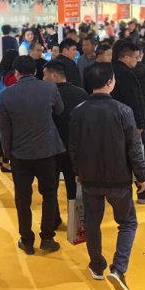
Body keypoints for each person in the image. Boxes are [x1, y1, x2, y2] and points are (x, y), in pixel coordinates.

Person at [69, 63, 145, 290]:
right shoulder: (123, 111)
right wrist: (141, 176)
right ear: (111, 82)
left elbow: (73, 147)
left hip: (89, 178)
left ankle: (97, 265)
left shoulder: (77, 112)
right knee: (128, 222)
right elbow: (134, 147)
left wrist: (77, 171)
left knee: (92, 222)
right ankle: (119, 268)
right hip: (119, 179)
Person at [0, 56, 64, 255]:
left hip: (20, 155)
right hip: (47, 151)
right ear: (35, 71)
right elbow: (59, 110)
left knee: (23, 199)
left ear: (16, 73)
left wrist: (7, 154)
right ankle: (47, 238)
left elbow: (5, 129)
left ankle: (27, 241)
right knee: (49, 194)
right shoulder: (50, 88)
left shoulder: (7, 95)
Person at [112, 42, 145, 205]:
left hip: (114, 123)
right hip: (130, 123)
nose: (137, 60)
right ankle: (144, 193)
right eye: (135, 57)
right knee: (139, 157)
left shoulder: (111, 70)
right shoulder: (126, 74)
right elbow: (134, 100)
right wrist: (139, 124)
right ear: (126, 57)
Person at [42, 60, 88, 226]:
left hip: (51, 148)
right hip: (75, 148)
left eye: (44, 75)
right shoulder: (81, 94)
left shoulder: (45, 95)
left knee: (50, 188)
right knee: (74, 187)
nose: (43, 79)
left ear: (54, 75)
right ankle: (76, 223)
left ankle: (53, 220)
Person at [0, 49, 19, 172]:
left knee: (3, 134)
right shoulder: (11, 75)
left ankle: (0, 159)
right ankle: (6, 164)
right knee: (8, 135)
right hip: (6, 108)